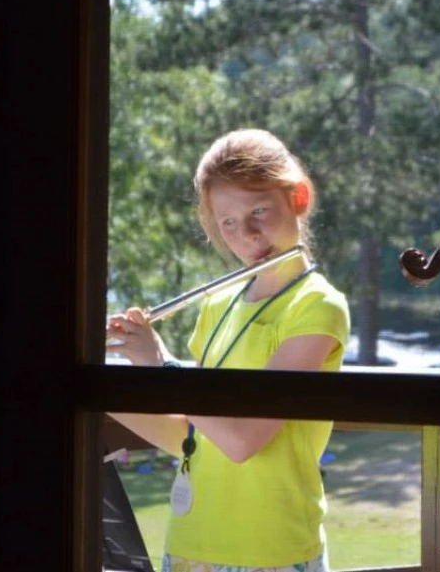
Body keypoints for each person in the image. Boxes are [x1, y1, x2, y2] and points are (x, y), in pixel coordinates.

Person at [105, 129, 350, 572]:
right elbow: (193, 438)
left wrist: (163, 366)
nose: (248, 236)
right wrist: (98, 379)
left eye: (259, 211)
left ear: (298, 197)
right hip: (190, 543)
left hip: (272, 549)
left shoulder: (318, 307)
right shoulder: (218, 304)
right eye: (228, 222)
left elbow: (242, 440)